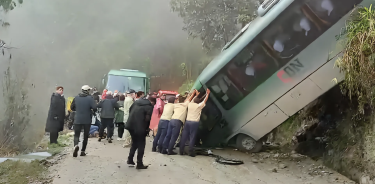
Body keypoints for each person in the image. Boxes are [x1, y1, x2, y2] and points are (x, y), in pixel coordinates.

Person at [125, 96, 156, 169]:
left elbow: (130, 111)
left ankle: (130, 159)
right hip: (140, 127)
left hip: (130, 125)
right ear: (152, 102)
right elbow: (147, 119)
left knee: (135, 143)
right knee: (141, 145)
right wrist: (146, 129)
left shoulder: (136, 102)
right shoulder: (149, 106)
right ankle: (139, 163)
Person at [162, 91, 196, 155]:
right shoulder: (185, 105)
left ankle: (164, 149)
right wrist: (193, 93)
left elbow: (187, 99)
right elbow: (189, 99)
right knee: (174, 137)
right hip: (178, 122)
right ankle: (170, 150)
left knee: (168, 135)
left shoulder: (176, 105)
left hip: (172, 120)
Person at [179, 89, 210, 157]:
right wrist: (207, 94)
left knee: (184, 136)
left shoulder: (190, 105)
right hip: (194, 123)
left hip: (187, 121)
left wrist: (195, 95)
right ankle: (190, 152)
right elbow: (205, 100)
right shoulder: (199, 106)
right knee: (192, 137)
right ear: (199, 102)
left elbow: (193, 100)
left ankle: (181, 150)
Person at [71, 85, 97, 157]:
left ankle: (75, 146)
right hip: (87, 119)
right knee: (85, 136)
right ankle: (83, 151)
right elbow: (95, 108)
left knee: (76, 134)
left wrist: (78, 110)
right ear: (88, 91)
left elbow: (72, 107)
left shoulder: (76, 98)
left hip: (78, 118)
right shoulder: (90, 98)